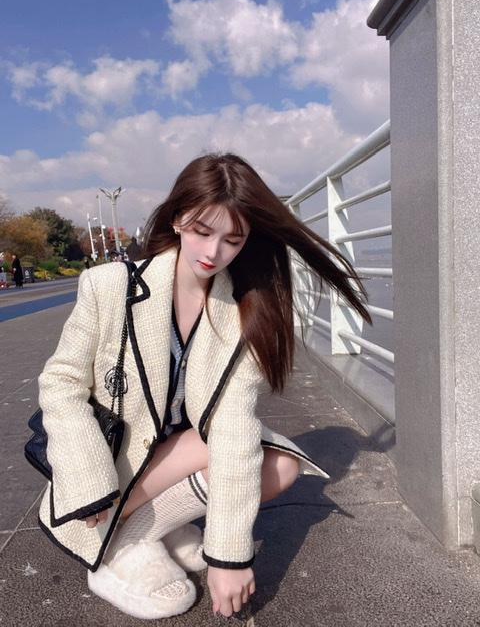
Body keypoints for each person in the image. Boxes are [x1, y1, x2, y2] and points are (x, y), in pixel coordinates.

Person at [36, 153, 372, 620]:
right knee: (218, 446)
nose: (213, 252)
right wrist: (86, 473)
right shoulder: (110, 286)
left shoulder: (242, 311)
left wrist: (229, 555)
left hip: (176, 453)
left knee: (278, 467)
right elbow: (61, 383)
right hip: (111, 462)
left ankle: (138, 532)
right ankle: (114, 543)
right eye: (201, 231)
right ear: (177, 219)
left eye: (233, 240)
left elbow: (232, 425)